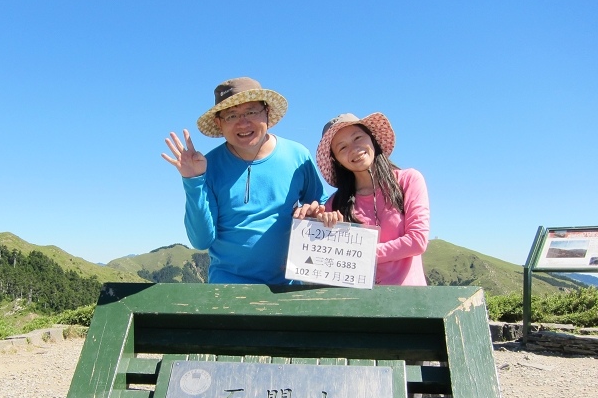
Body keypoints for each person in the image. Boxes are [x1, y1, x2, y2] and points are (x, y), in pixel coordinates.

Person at [162, 77, 328, 284]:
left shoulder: (297, 155)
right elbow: (201, 240)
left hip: (288, 285)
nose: (243, 123)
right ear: (219, 123)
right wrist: (193, 180)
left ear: (266, 112)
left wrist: (316, 211)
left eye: (251, 112)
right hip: (228, 287)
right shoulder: (207, 165)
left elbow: (322, 204)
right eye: (231, 115)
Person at [294, 112, 429, 286]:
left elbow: (417, 241)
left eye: (357, 138)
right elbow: (326, 262)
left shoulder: (408, 180)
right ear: (337, 161)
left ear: (372, 138)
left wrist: (359, 253)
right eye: (342, 147)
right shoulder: (334, 204)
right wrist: (317, 225)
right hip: (359, 306)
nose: (354, 149)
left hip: (409, 304)